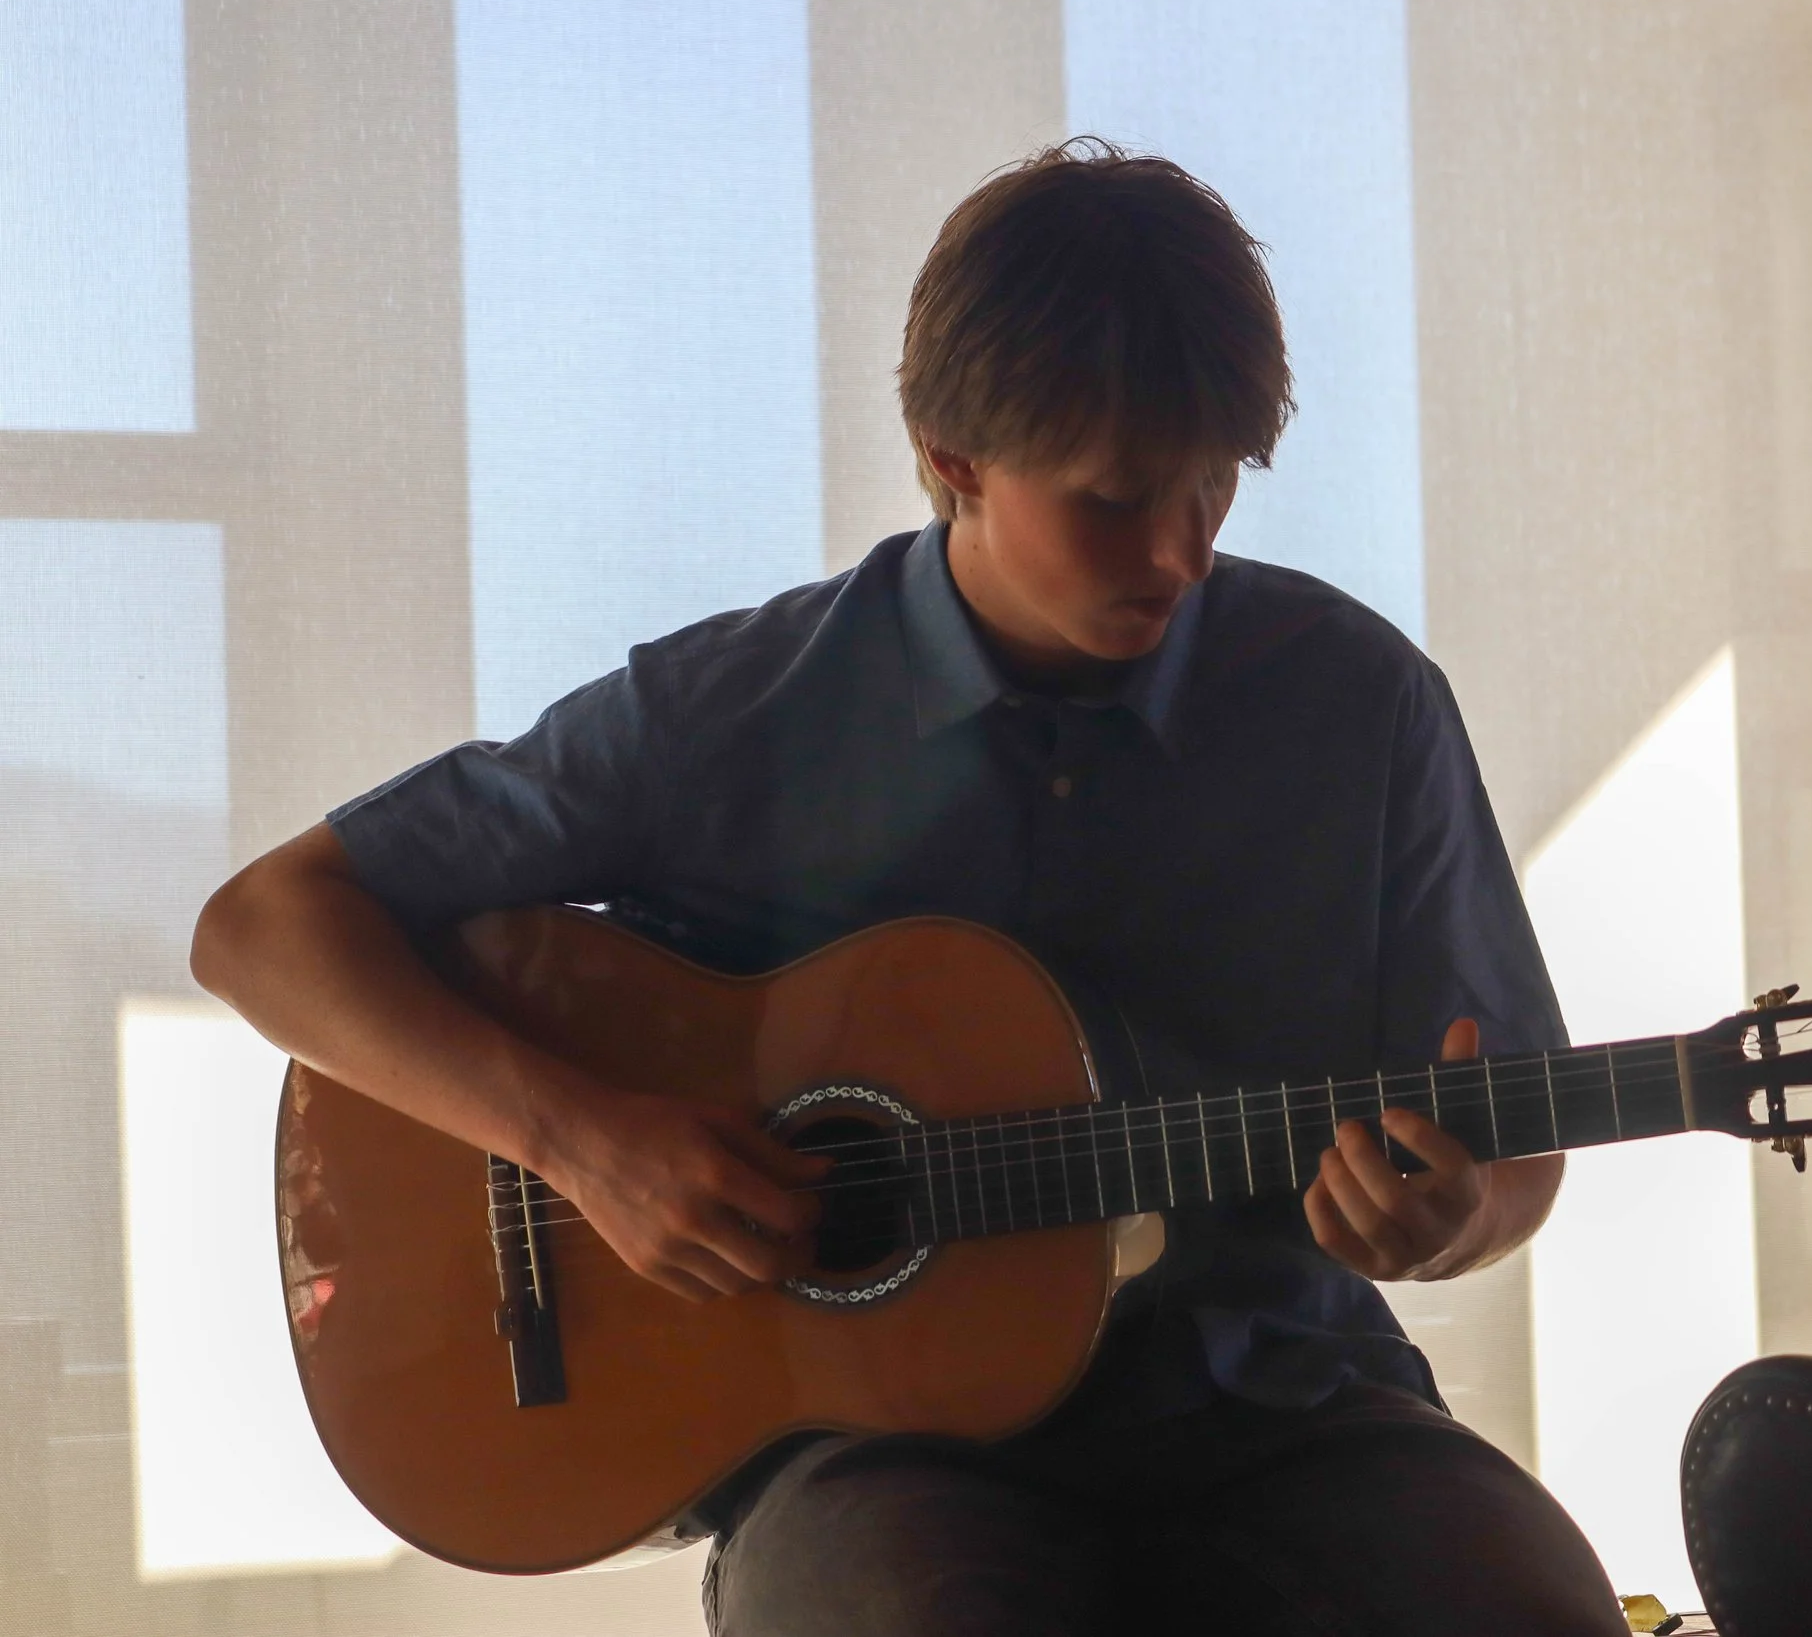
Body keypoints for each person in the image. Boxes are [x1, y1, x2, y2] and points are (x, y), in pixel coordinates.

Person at [192, 140, 1626, 1636]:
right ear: (952, 457)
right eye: (1115, 500)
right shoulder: (737, 711)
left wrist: (1450, 1221)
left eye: (1214, 487)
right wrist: (586, 1141)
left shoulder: (1360, 702)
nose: (1179, 553)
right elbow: (260, 929)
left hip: (1277, 1398)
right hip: (871, 1450)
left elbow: (1507, 1127)